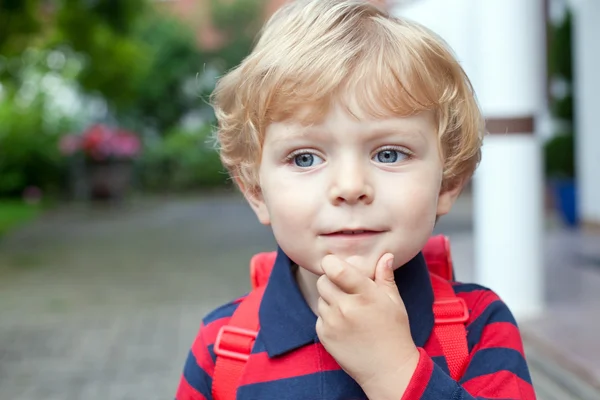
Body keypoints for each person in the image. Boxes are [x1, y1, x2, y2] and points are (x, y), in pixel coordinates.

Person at [175, 0, 536, 398]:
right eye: (305, 158)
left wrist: (394, 370)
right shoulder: (222, 348)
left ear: (447, 184)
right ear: (257, 192)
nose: (349, 186)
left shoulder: (479, 326)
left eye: (388, 154)